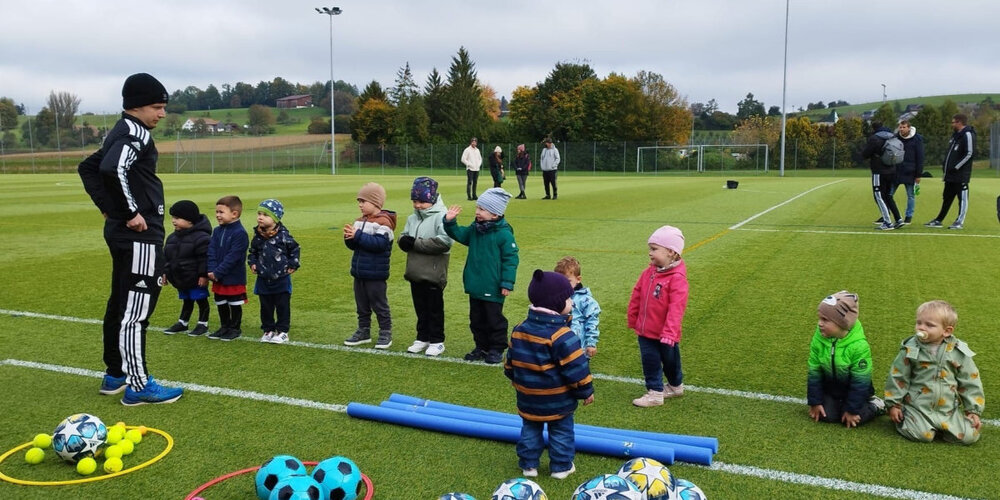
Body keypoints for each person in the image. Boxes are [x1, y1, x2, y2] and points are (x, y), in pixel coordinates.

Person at [77, 72, 183, 405]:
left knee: (121, 303)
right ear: (136, 107)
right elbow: (110, 169)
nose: (162, 114)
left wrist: (108, 209)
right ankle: (138, 384)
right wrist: (129, 211)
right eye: (157, 106)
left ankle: (116, 373)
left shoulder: (120, 132)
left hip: (125, 234)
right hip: (139, 235)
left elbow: (87, 167)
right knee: (136, 310)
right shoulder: (133, 132)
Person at [504, 270, 594, 480]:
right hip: (558, 400)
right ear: (556, 303)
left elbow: (511, 361)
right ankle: (561, 467)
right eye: (569, 298)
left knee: (530, 429)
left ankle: (529, 466)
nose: (571, 302)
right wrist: (586, 390)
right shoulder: (562, 335)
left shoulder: (519, 329)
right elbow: (576, 368)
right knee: (561, 431)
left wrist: (514, 378)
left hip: (528, 397)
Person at [884, 300, 985, 444]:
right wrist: (894, 404)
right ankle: (909, 418)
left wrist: (973, 410)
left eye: (929, 325)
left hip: (947, 410)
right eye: (919, 323)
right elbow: (898, 375)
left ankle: (943, 427)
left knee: (969, 437)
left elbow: (970, 380)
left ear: (947, 331)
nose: (921, 328)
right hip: (918, 406)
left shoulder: (957, 352)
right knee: (922, 436)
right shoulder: (911, 348)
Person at [443, 187, 519, 364]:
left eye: (482, 209)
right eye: (477, 208)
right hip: (476, 284)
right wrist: (450, 223)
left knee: (494, 319)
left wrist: (507, 282)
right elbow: (462, 235)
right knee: (476, 319)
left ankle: (496, 348)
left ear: (495, 214)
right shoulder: (476, 228)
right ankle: (481, 347)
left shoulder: (504, 234)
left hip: (493, 286)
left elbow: (511, 259)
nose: (477, 212)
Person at [628, 225, 688, 407]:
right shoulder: (649, 272)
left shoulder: (677, 278)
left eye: (654, 249)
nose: (650, 253)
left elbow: (676, 308)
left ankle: (676, 385)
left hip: (665, 334)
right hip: (646, 331)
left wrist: (669, 332)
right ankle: (655, 392)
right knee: (651, 361)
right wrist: (633, 316)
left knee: (671, 361)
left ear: (671, 251)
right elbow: (637, 293)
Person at [807, 291, 884, 428]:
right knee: (827, 416)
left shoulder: (859, 345)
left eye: (825, 320)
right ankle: (837, 403)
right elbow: (814, 370)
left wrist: (852, 410)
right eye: (819, 318)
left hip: (854, 389)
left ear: (842, 323)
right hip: (832, 388)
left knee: (854, 418)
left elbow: (861, 381)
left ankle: (875, 405)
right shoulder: (819, 338)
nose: (819, 324)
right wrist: (815, 402)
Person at [398, 177, 453, 357]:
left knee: (434, 308)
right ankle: (422, 337)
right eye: (415, 201)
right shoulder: (412, 218)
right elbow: (404, 235)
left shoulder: (442, 216)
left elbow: (444, 242)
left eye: (422, 201)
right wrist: (403, 241)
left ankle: (437, 341)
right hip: (415, 272)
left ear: (432, 199)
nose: (417, 205)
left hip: (434, 273)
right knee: (420, 307)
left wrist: (414, 243)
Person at [343, 183, 396, 349]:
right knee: (362, 305)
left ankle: (385, 332)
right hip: (359, 272)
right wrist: (349, 238)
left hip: (375, 274)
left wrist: (357, 235)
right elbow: (355, 246)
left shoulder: (384, 223)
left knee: (379, 304)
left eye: (363, 201)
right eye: (359, 201)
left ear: (375, 203)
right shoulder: (359, 222)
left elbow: (379, 244)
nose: (360, 204)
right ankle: (363, 331)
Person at [248, 199, 300, 344]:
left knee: (282, 305)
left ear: (275, 218)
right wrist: (252, 262)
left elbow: (295, 249)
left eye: (265, 215)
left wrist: (293, 264)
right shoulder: (257, 236)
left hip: (281, 277)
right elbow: (253, 252)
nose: (260, 217)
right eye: (259, 213)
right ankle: (268, 329)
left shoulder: (283, 235)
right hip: (263, 278)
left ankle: (283, 331)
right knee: (265, 305)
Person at [162, 200, 212, 337]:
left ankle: (203, 323)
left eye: (177, 218)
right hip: (180, 277)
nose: (173, 221)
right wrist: (165, 272)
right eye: (173, 217)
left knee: (201, 300)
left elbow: (204, 258)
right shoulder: (172, 237)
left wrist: (203, 275)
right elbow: (166, 256)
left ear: (190, 220)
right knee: (186, 300)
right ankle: (183, 322)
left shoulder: (202, 238)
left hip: (195, 277)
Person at [207, 195, 249, 341]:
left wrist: (218, 272)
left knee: (234, 302)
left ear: (234, 214)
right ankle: (224, 326)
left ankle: (235, 328)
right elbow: (211, 251)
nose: (217, 215)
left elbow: (233, 257)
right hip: (217, 276)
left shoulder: (240, 233)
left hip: (233, 276)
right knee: (221, 301)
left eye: (221, 212)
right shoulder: (217, 231)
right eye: (217, 212)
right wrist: (212, 270)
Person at [926, 114, 977, 230]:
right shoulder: (955, 136)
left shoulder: (968, 134)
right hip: (950, 175)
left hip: (961, 175)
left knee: (962, 199)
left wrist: (956, 167)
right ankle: (939, 220)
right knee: (947, 198)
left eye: (953, 122)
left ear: (959, 122)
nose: (952, 124)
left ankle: (959, 221)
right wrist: (945, 166)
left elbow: (969, 154)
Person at [555, 256, 601, 358]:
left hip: (578, 349)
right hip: (558, 347)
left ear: (578, 279)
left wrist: (591, 343)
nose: (563, 285)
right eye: (559, 281)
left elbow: (592, 321)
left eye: (567, 281)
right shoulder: (554, 297)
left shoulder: (586, 300)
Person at [862, 121, 903, 230]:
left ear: (874, 128)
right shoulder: (892, 136)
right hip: (892, 170)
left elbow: (865, 154)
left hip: (879, 172)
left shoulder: (874, 138)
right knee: (888, 196)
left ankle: (887, 222)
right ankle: (898, 219)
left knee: (879, 196)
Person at [890, 119, 925, 225]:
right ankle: (886, 215)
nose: (901, 129)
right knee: (888, 194)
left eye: (904, 127)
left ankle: (908, 216)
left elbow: (920, 157)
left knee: (910, 195)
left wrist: (919, 174)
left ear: (909, 128)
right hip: (896, 171)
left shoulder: (917, 139)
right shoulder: (895, 138)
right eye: (900, 127)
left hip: (911, 172)